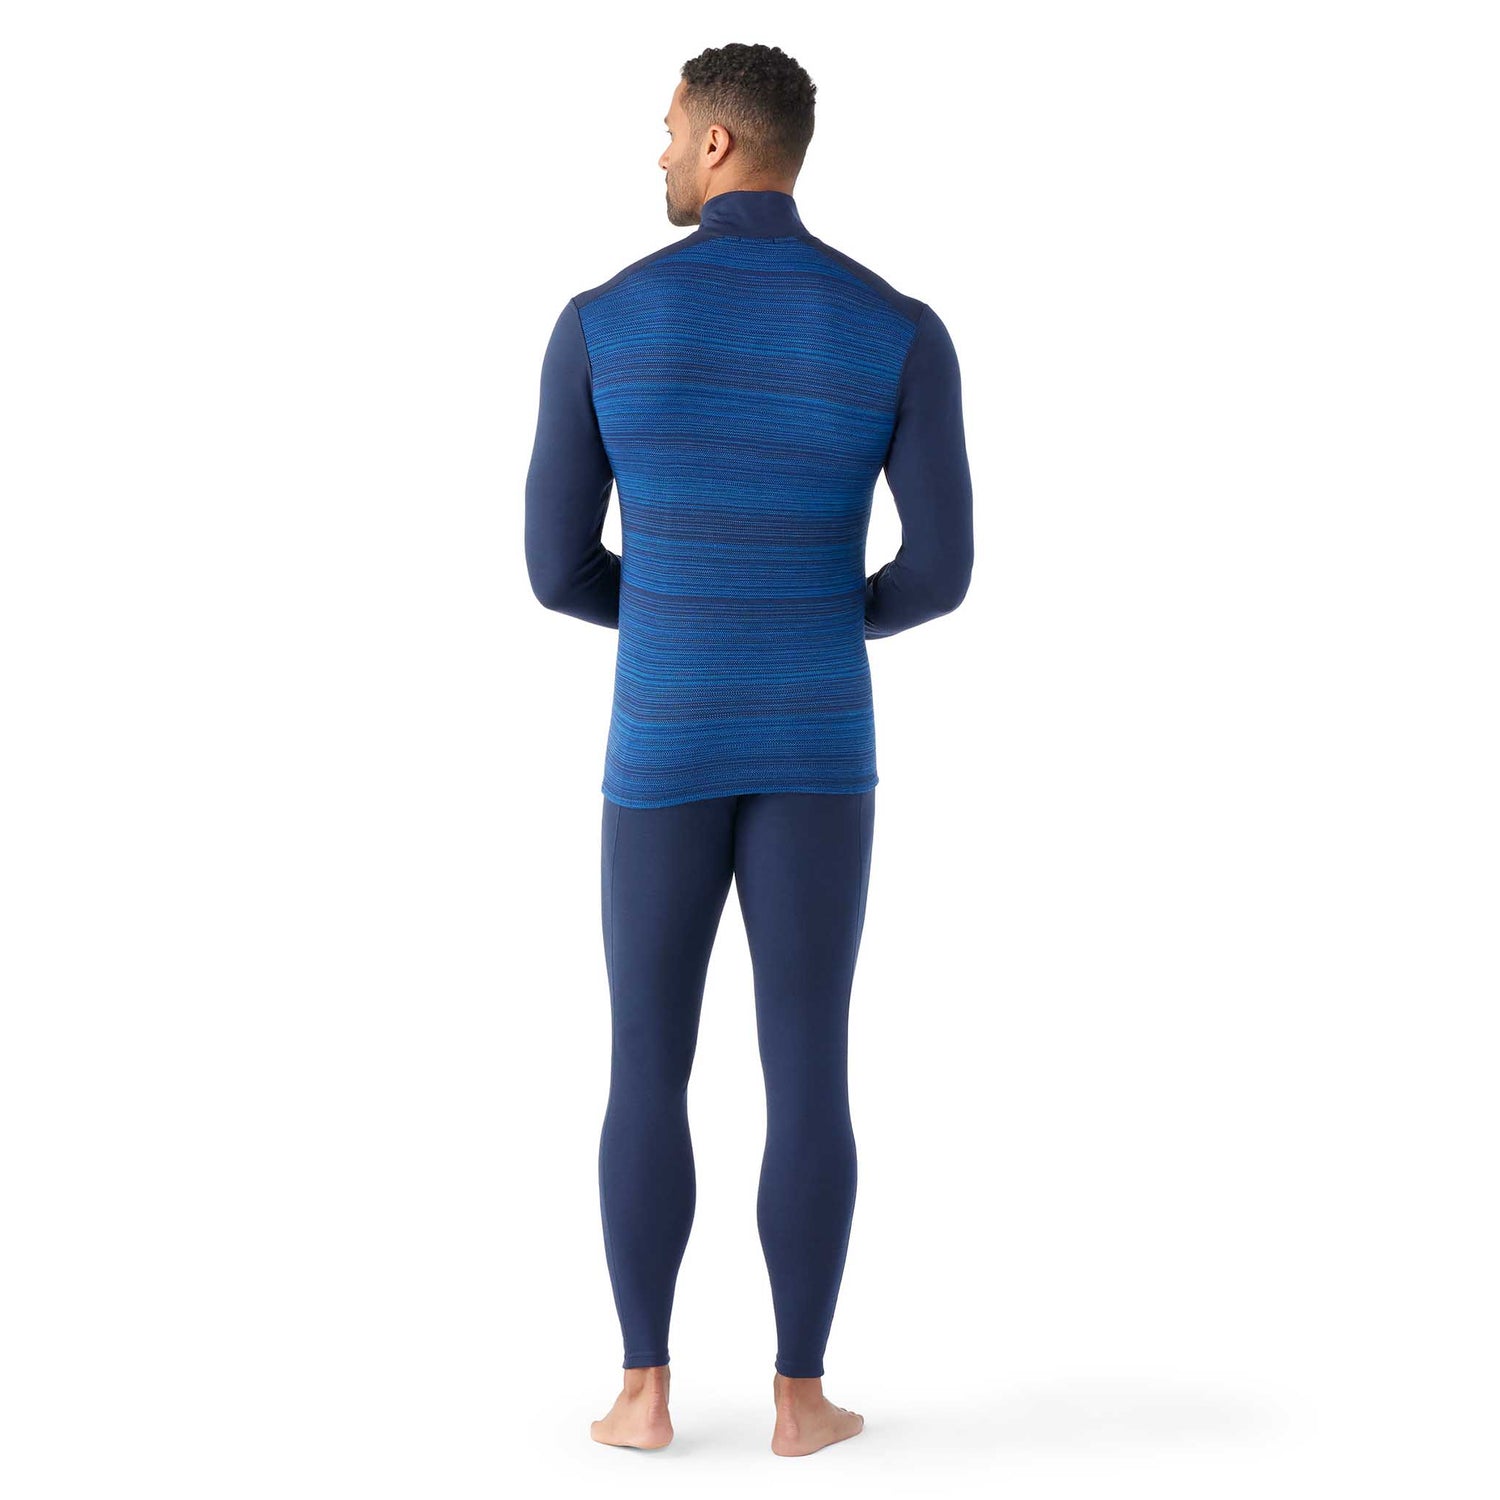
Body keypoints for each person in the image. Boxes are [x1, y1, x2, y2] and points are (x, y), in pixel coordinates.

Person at [524, 41, 973, 1458]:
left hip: (661, 742)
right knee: (810, 1065)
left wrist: (679, 610)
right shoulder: (896, 328)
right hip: (819, 747)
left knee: (645, 1061)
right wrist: (808, 617)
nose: (659, 150)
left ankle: (643, 1394)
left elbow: (552, 568)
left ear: (720, 142)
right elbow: (942, 572)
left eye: (670, 128)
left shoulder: (603, 321)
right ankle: (799, 1401)